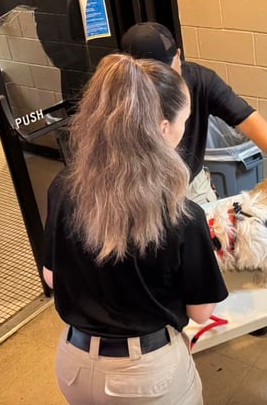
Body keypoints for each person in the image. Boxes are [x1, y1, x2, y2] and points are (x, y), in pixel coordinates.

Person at [43, 54, 228, 404]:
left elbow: (52, 278)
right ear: (161, 128)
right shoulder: (181, 214)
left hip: (74, 366)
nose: (185, 130)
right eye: (184, 121)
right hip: (145, 376)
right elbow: (201, 312)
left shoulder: (63, 188)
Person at [121, 22, 267, 208]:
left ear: (178, 55)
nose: (161, 82)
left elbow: (246, 118)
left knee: (207, 230)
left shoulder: (200, 80)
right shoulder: (115, 97)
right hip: (137, 190)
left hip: (191, 184)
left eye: (165, 71)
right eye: (151, 75)